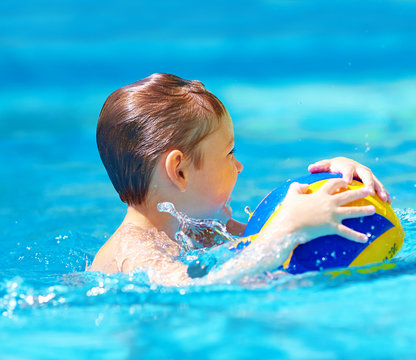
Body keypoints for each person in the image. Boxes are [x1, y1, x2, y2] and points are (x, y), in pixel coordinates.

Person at [88, 73, 391, 285]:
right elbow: (195, 291)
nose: (240, 166)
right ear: (180, 171)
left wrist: (336, 177)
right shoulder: (135, 251)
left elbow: (263, 241)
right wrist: (286, 230)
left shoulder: (201, 228)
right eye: (230, 153)